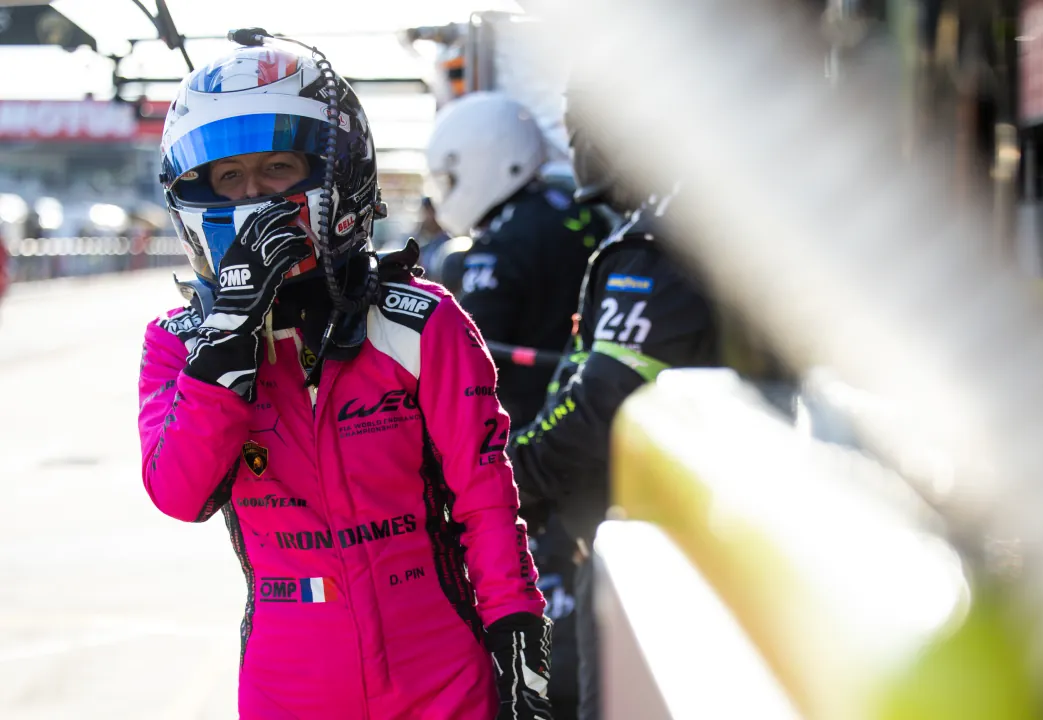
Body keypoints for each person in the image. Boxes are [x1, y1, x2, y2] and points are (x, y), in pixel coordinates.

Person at [137, 41, 553, 720]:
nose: (252, 197)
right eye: (228, 178)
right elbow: (180, 493)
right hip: (290, 685)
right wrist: (228, 341)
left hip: (441, 677)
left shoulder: (421, 323)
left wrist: (518, 632)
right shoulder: (178, 345)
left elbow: (486, 499)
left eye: (277, 169)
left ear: (337, 175)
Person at [506, 72, 725, 720]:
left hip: (652, 548)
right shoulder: (697, 220)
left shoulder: (656, 244)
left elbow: (603, 401)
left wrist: (508, 472)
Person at [425, 91, 613, 432]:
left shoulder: (503, 240)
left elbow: (469, 352)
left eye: (450, 180)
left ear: (482, 161)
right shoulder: (576, 209)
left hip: (528, 426)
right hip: (586, 406)